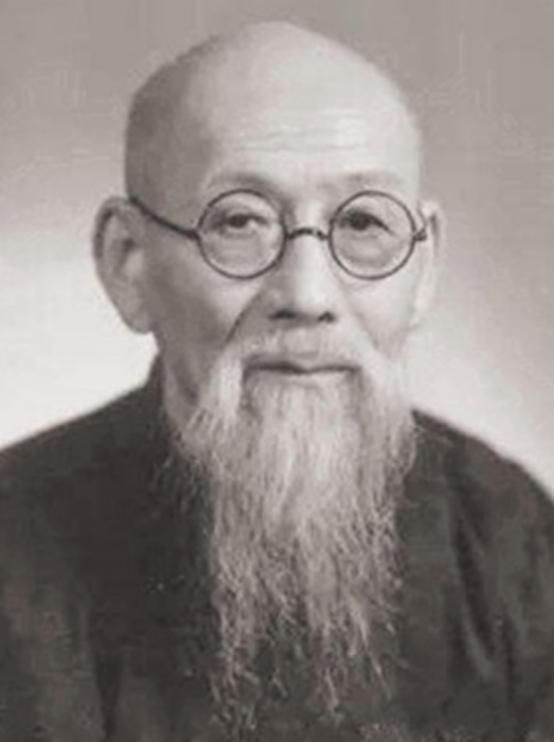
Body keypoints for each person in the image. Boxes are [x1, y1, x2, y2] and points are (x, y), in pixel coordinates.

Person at [1, 21, 553, 742]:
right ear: (128, 261)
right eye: (240, 222)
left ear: (423, 272)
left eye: (364, 223)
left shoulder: (509, 541)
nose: (308, 294)